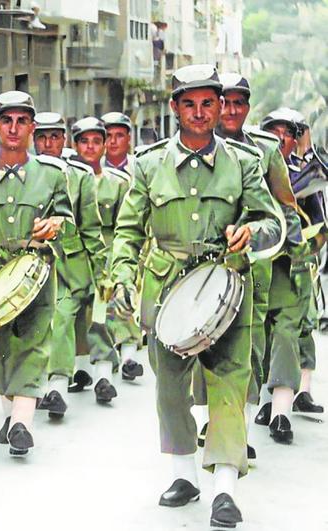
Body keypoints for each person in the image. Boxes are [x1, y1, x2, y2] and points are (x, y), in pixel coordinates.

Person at [109, 64, 282, 528]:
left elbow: (271, 222)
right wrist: (122, 276)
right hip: (166, 293)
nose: (201, 113)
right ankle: (184, 474)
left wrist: (250, 230)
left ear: (220, 106)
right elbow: (127, 230)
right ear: (175, 108)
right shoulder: (148, 165)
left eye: (209, 103)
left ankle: (224, 489)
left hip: (226, 286)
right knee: (169, 389)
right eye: (190, 104)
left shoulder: (243, 163)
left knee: (229, 385)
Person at [194, 74, 295, 454]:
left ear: (248, 108)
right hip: (205, 266)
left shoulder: (266, 150)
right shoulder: (197, 147)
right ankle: (209, 424)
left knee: (248, 347)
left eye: (240, 103)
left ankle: (240, 435)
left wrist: (293, 255)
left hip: (253, 266)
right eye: (227, 102)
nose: (232, 110)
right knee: (203, 342)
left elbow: (285, 211)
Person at [0, 92, 73, 454]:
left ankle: (22, 425)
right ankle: (12, 416)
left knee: (33, 345)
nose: (14, 128)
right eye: (7, 121)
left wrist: (57, 225)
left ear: (31, 127)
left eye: (22, 121)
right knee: (0, 351)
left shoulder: (52, 174)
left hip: (36, 271)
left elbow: (70, 223)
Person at [255, 109, 325, 441]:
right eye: (273, 132)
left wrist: (304, 246)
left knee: (286, 333)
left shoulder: (307, 176)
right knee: (259, 337)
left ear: (295, 139)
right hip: (256, 267)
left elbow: (322, 228)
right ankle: (266, 403)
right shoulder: (252, 172)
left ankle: (281, 413)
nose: (280, 139)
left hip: (291, 270)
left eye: (286, 133)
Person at [31, 112, 104, 419]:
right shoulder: (24, 172)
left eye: (54, 137)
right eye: (42, 137)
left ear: (64, 140)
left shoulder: (82, 176)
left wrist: (101, 271)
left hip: (69, 266)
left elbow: (91, 228)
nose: (48, 143)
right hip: (30, 263)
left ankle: (58, 386)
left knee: (61, 319)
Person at [71, 116, 139, 403]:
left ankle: (104, 375)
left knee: (103, 312)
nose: (91, 147)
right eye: (84, 141)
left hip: (107, 253)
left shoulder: (119, 182)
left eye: (96, 141)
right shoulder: (66, 179)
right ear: (74, 145)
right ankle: (81, 370)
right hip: (75, 254)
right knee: (73, 316)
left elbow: (128, 224)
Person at [101, 111, 145, 381]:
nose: (114, 141)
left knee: (126, 294)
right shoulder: (94, 169)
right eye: (109, 136)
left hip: (133, 242)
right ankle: (108, 356)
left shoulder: (139, 169)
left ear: (129, 138)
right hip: (104, 244)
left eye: (120, 135)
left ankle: (128, 353)